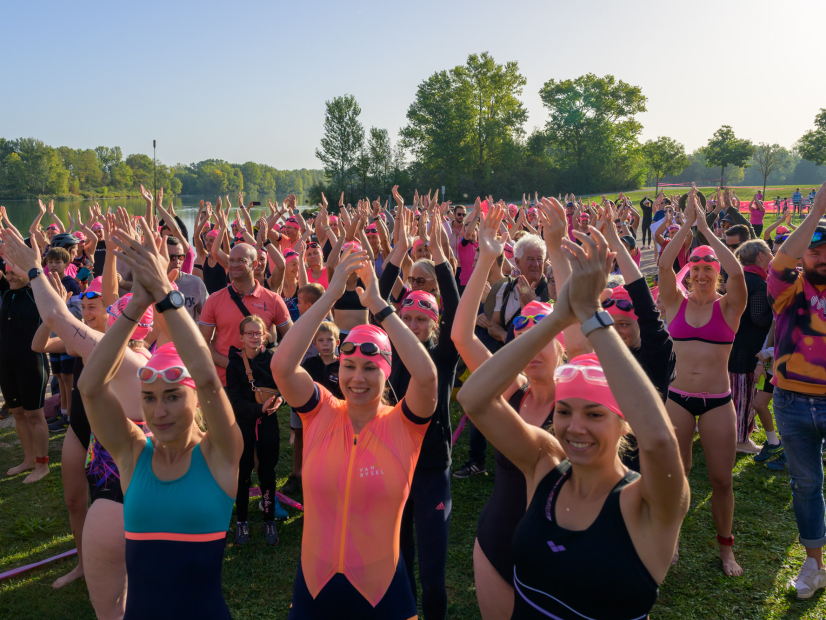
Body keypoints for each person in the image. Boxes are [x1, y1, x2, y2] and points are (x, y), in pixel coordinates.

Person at [457, 224, 689, 620]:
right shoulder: (544, 464)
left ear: (624, 421)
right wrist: (557, 317)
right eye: (564, 412)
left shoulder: (648, 503)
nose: (574, 426)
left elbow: (660, 443)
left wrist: (593, 317)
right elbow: (473, 399)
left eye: (594, 414)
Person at [78, 220, 244, 619]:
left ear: (197, 401)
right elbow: (90, 387)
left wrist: (168, 297)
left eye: (172, 397)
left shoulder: (222, 453)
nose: (159, 411)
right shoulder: (132, 454)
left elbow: (205, 375)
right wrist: (135, 306)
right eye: (149, 399)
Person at [271, 246, 438, 620]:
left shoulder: (404, 425)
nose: (357, 378)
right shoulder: (322, 414)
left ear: (387, 372)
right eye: (349, 366)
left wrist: (380, 306)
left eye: (370, 368)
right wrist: (330, 294)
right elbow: (282, 365)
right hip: (315, 588)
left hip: (383, 594)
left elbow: (426, 377)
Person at [658, 187, 747, 576]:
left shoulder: (729, 306)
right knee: (674, 473)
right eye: (695, 269)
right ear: (689, 273)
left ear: (717, 274)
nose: (702, 274)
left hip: (716, 401)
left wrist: (708, 231)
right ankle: (672, 537)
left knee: (721, 480)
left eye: (708, 269)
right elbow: (663, 266)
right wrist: (687, 225)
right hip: (677, 398)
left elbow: (740, 272)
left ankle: (726, 548)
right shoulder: (675, 302)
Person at [380, 207, 460, 620]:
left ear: (434, 323)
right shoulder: (386, 350)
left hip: (430, 469)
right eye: (405, 317)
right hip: (393, 464)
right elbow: (378, 296)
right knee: (398, 559)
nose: (411, 324)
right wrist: (397, 252)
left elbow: (458, 309)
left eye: (420, 319)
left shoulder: (444, 356)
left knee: (431, 568)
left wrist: (442, 256)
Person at [766, 181, 826, 598]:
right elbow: (782, 259)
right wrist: (817, 210)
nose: (821, 256)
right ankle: (814, 565)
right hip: (789, 401)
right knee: (805, 485)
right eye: (815, 249)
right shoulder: (787, 289)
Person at [225, 315, 287, 546]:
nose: (253, 337)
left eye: (258, 333)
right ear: (241, 337)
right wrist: (258, 408)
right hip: (244, 425)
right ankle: (242, 520)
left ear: (265, 335)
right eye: (249, 333)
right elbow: (234, 401)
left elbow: (284, 388)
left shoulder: (273, 359)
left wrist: (280, 400)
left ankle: (268, 518)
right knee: (243, 472)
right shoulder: (235, 364)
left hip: (268, 424)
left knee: (267, 471)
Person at [198, 242, 292, 386]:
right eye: (231, 260)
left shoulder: (273, 299)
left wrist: (270, 358)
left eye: (241, 260)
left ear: (254, 264)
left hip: (260, 381)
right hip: (225, 381)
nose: (234, 265)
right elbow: (202, 342)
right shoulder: (214, 299)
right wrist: (231, 364)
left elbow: (292, 337)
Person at [0, 261, 50, 484]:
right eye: (7, 272)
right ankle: (29, 459)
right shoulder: (7, 293)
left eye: (13, 273)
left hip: (31, 362)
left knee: (34, 415)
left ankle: (42, 464)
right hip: (6, 363)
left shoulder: (35, 293)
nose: (9, 277)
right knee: (18, 412)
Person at [282, 320, 343, 496]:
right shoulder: (309, 364)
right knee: (308, 448)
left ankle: (330, 485)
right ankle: (301, 479)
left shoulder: (344, 365)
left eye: (330, 340)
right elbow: (298, 387)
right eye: (321, 340)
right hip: (310, 417)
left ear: (337, 342)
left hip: (335, 418)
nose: (325, 344)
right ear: (314, 343)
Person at [728, 239, 774, 454]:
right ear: (761, 256)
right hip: (747, 348)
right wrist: (777, 315)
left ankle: (741, 430)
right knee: (743, 395)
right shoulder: (758, 283)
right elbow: (759, 318)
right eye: (769, 252)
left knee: (734, 392)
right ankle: (740, 439)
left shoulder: (737, 278)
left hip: (733, 344)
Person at [489, 233, 552, 346]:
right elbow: (493, 325)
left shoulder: (552, 292)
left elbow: (553, 333)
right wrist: (505, 335)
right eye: (530, 259)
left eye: (539, 259)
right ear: (517, 262)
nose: (536, 264)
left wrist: (532, 307)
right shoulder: (506, 288)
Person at [166, 236, 208, 321]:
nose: (177, 262)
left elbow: (208, 317)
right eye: (172, 257)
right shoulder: (148, 283)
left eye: (180, 257)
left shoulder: (195, 283)